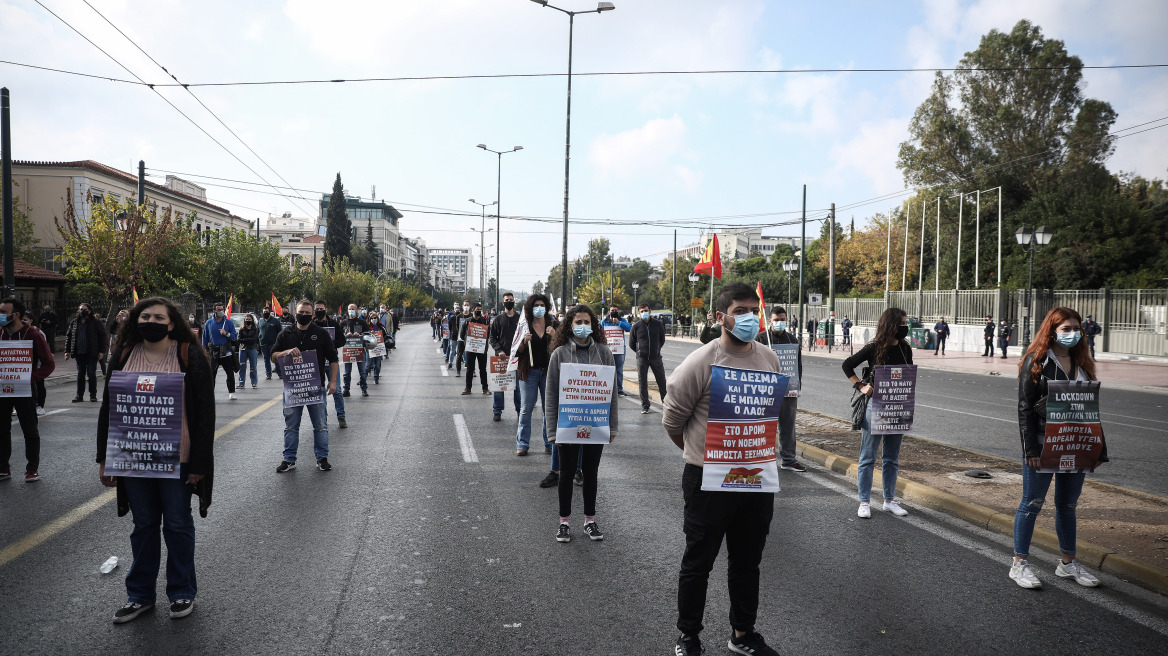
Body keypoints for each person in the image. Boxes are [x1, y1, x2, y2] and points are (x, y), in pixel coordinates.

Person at [662, 282, 784, 656]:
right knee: (698, 563)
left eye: (754, 310)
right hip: (707, 480)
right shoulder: (701, 362)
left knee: (747, 563)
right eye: (741, 310)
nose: (750, 317)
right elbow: (673, 421)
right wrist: (702, 456)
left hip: (756, 482)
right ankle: (688, 636)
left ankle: (742, 634)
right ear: (721, 317)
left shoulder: (769, 359)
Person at [96, 297, 214, 623]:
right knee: (144, 526)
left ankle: (181, 592)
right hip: (134, 460)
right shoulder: (123, 356)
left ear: (171, 323)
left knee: (177, 525)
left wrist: (200, 465)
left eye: (158, 317)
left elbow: (205, 414)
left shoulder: (189, 356)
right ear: (135, 321)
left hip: (178, 460)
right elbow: (109, 409)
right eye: (145, 316)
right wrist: (104, 458)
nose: (151, 321)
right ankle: (139, 596)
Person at [1011, 306, 1106, 590]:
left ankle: (1067, 564)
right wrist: (1030, 451)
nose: (1073, 334)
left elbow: (1091, 410)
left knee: (1067, 505)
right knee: (1032, 503)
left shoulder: (1084, 364)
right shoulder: (1036, 361)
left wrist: (1098, 448)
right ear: (1051, 330)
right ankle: (1019, 565)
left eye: (1077, 329)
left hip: (1077, 443)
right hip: (1043, 443)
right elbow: (1025, 409)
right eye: (1066, 329)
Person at [545, 304, 618, 543]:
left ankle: (590, 520)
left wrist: (612, 426)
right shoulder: (559, 354)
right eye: (578, 322)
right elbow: (551, 395)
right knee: (566, 474)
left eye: (587, 322)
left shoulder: (605, 353)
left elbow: (612, 393)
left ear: (593, 325)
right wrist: (552, 431)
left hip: (596, 424)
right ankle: (564, 523)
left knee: (591, 473)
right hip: (568, 424)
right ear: (569, 325)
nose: (583, 326)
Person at [842, 307, 914, 519]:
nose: (905, 327)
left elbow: (908, 373)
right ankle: (864, 501)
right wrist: (861, 386)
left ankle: (889, 500)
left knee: (892, 458)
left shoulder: (905, 348)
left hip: (899, 406)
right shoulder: (874, 347)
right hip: (876, 406)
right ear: (891, 325)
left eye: (905, 323)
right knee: (868, 457)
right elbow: (847, 365)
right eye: (902, 323)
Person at [272, 300, 339, 473]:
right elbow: (273, 356)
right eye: (302, 312)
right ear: (296, 312)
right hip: (293, 389)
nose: (305, 315)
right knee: (291, 426)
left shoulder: (321, 334)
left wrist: (333, 381)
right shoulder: (285, 334)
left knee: (321, 425)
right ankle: (289, 459)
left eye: (308, 313)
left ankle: (322, 459)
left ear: (313, 315)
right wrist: (286, 352)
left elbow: (333, 358)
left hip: (315, 388)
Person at [0, 298, 55, 482]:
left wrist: (31, 378)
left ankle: (32, 469)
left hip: (25, 389)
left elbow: (49, 364)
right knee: (2, 429)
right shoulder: (0, 333)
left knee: (30, 430)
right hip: (2, 389)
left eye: (3, 312)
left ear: (15, 315)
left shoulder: (33, 334)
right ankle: (3, 468)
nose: (0, 315)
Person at [756, 306, 806, 472]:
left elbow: (797, 366)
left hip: (788, 389)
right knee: (764, 426)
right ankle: (762, 459)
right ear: (770, 320)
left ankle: (789, 460)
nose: (779, 322)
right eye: (776, 320)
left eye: (782, 319)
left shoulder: (792, 340)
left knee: (788, 426)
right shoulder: (760, 339)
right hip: (765, 390)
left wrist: (796, 386)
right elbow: (752, 363)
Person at [515, 294, 554, 457]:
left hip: (549, 373)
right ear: (530, 308)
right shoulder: (524, 326)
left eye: (542, 305)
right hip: (529, 372)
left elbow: (561, 348)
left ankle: (549, 442)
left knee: (549, 410)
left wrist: (555, 336)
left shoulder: (553, 325)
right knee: (526, 409)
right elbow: (516, 353)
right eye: (536, 305)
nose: (539, 308)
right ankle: (522, 444)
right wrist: (524, 342)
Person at [488, 292, 522, 422]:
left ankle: (519, 411)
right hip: (501, 359)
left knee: (518, 387)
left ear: (514, 302)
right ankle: (497, 411)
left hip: (517, 358)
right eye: (507, 300)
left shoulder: (520, 319)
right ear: (503, 303)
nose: (509, 301)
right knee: (499, 387)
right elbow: (492, 338)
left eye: (511, 300)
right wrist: (499, 350)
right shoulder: (497, 319)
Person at [314, 300, 348, 428]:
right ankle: (323, 418)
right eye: (317, 309)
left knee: (337, 390)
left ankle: (341, 416)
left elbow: (342, 340)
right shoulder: (312, 324)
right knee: (320, 392)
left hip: (332, 363)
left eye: (321, 308)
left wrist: (330, 345)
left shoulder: (333, 324)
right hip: (317, 364)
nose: (319, 311)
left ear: (326, 309)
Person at [629, 303, 667, 415]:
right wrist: (640, 352)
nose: (644, 313)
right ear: (639, 313)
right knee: (642, 383)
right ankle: (645, 406)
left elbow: (662, 339)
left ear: (650, 311)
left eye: (646, 310)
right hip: (642, 359)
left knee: (662, 382)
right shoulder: (636, 326)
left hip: (656, 358)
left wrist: (656, 350)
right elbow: (632, 343)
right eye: (641, 311)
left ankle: (665, 404)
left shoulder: (658, 324)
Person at [64, 302, 107, 402]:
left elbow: (102, 337)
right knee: (80, 374)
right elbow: (69, 336)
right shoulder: (74, 322)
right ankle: (79, 395)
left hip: (92, 353)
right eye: (81, 309)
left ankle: (93, 395)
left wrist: (101, 351)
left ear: (90, 311)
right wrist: (67, 351)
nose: (82, 311)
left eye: (85, 309)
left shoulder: (96, 322)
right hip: (79, 353)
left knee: (91, 373)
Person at [200, 303, 238, 400]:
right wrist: (204, 350)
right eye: (218, 309)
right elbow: (205, 338)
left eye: (222, 309)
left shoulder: (228, 322)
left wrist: (226, 333)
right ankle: (210, 393)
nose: (220, 311)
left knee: (229, 372)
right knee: (212, 373)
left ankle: (231, 392)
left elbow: (234, 336)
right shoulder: (209, 323)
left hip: (226, 351)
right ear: (214, 311)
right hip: (214, 352)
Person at [601, 306, 632, 397]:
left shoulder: (622, 320)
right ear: (608, 312)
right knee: (607, 369)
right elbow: (599, 332)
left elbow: (629, 328)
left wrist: (619, 323)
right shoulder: (604, 322)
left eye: (616, 311)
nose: (614, 312)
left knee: (619, 370)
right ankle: (607, 388)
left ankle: (619, 389)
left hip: (620, 349)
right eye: (612, 311)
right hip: (608, 349)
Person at [460, 303, 490, 395]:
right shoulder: (467, 321)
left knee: (483, 369)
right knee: (470, 369)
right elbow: (461, 335)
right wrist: (467, 342)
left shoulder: (485, 321)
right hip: (470, 349)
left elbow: (488, 334)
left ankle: (485, 389)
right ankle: (468, 388)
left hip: (482, 349)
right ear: (473, 310)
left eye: (480, 309)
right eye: (477, 309)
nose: (479, 311)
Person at [341, 303, 369, 398]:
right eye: (349, 309)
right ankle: (346, 389)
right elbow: (338, 336)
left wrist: (360, 334)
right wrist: (345, 335)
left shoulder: (362, 322)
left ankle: (364, 389)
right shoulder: (343, 323)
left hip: (360, 350)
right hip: (348, 351)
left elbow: (368, 334)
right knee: (347, 372)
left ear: (356, 310)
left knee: (362, 371)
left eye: (353, 309)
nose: (351, 310)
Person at [236, 314, 260, 390]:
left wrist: (245, 340)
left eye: (249, 319)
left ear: (252, 320)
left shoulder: (255, 329)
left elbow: (254, 340)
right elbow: (239, 339)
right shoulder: (241, 329)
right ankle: (241, 383)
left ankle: (254, 383)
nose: (248, 321)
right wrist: (248, 339)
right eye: (246, 319)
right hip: (243, 349)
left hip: (252, 349)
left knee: (253, 367)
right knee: (242, 366)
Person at [258, 308, 282, 380]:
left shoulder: (275, 321)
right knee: (266, 360)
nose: (265, 313)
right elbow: (258, 331)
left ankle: (280, 373)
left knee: (275, 359)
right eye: (264, 312)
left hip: (273, 344)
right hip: (263, 344)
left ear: (269, 312)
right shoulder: (260, 321)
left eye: (267, 312)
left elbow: (280, 332)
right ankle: (268, 374)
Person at [367, 313, 386, 384]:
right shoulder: (367, 326)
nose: (373, 319)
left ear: (377, 319)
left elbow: (386, 335)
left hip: (379, 348)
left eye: (375, 318)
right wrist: (369, 332)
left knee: (377, 364)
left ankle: (376, 378)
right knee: (368, 365)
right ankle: (363, 379)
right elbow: (364, 334)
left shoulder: (381, 326)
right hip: (370, 349)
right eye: (372, 318)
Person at [448, 303, 468, 370]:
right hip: (454, 337)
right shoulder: (452, 318)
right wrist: (452, 333)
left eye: (458, 309)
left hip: (461, 337)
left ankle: (466, 362)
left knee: (463, 351)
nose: (457, 310)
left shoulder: (462, 317)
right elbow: (450, 328)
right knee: (453, 351)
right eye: (456, 309)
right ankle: (450, 363)